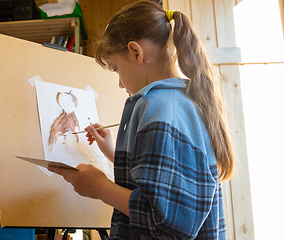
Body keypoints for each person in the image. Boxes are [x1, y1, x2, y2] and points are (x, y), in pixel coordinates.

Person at [48, 0, 235, 239]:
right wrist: (114, 154)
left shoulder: (158, 107)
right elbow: (164, 183)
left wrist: (101, 188)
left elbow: (169, 222)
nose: (120, 83)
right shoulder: (181, 102)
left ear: (136, 52)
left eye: (116, 69)